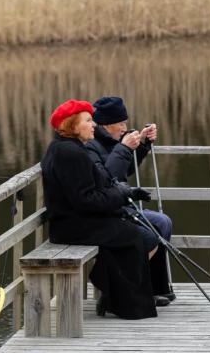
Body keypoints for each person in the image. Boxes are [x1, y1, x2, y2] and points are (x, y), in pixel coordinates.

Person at [41, 100, 170, 319]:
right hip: (72, 225)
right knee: (134, 235)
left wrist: (125, 192)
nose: (94, 124)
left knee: (133, 232)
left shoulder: (71, 148)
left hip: (77, 220)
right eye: (89, 120)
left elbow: (101, 182)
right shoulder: (70, 153)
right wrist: (119, 195)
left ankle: (119, 296)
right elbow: (86, 199)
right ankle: (117, 295)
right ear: (73, 125)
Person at [85, 96, 175, 304]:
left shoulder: (111, 140)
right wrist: (124, 148)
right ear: (106, 125)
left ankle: (150, 287)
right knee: (149, 234)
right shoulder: (91, 146)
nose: (125, 128)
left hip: (119, 205)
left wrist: (142, 145)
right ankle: (120, 291)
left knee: (162, 222)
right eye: (121, 124)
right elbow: (107, 178)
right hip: (106, 212)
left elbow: (125, 170)